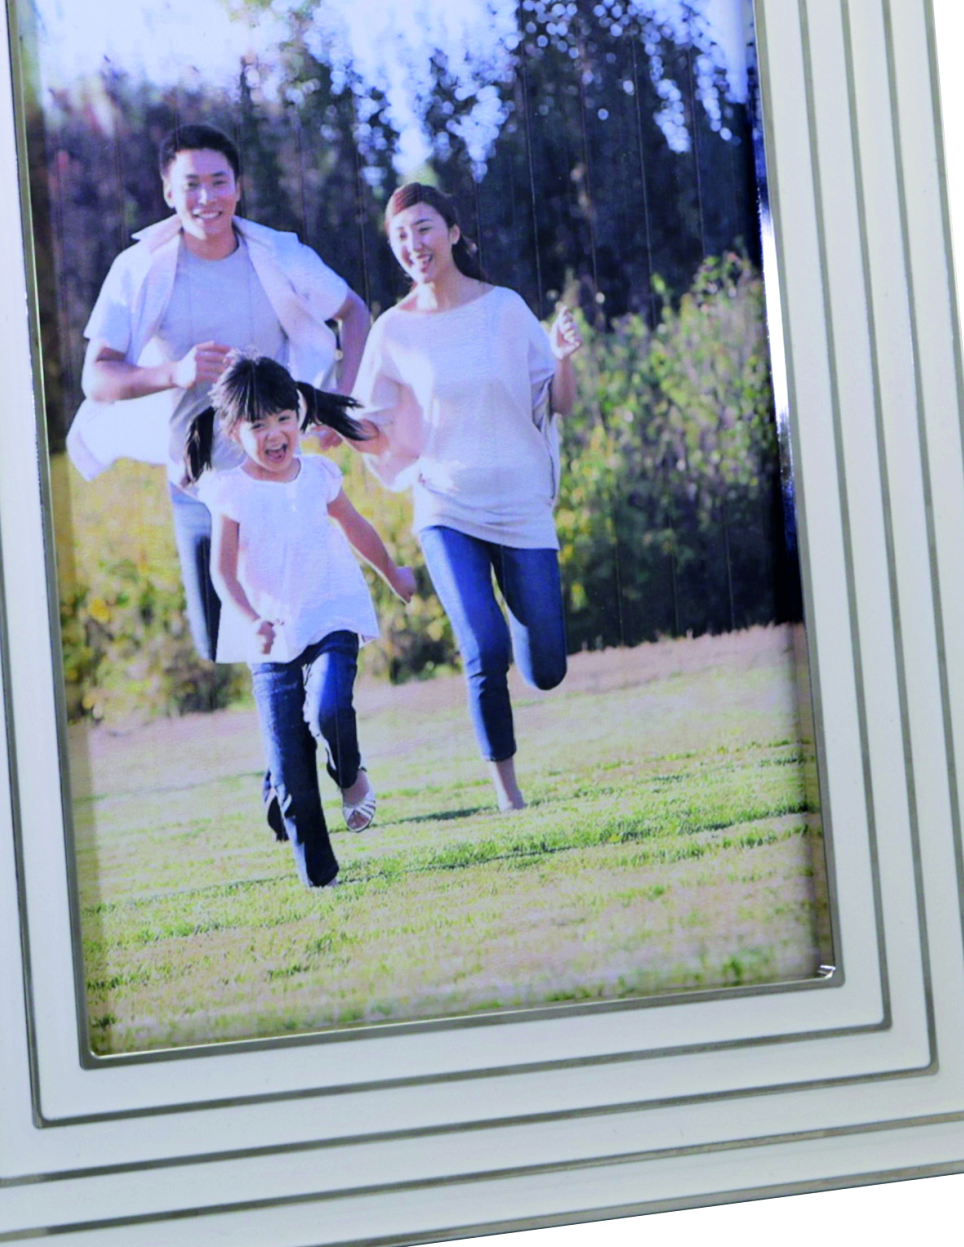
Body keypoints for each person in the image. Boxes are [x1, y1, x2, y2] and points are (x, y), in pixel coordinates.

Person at [67, 124, 375, 662]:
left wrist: (337, 403)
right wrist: (175, 373)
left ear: (238, 187)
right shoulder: (139, 268)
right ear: (169, 193)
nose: (206, 198)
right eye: (191, 185)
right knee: (217, 642)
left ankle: (312, 708)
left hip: (275, 476)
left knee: (290, 629)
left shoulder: (279, 254)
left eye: (218, 182)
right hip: (195, 481)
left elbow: (354, 312)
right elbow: (97, 378)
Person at [354, 181, 582, 811]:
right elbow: (375, 430)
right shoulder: (393, 331)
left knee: (546, 669)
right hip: (446, 505)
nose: (413, 244)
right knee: (484, 647)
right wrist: (334, 425)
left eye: (424, 228)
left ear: (453, 232)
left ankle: (533, 654)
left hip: (521, 502)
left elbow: (559, 403)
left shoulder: (504, 309)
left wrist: (564, 358)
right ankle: (509, 797)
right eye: (401, 236)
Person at [185, 356, 418, 891]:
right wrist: (251, 619)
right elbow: (222, 572)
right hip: (270, 640)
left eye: (283, 419)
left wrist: (392, 574)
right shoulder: (231, 491)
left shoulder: (317, 474)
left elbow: (355, 526)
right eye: (258, 425)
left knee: (328, 709)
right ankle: (322, 881)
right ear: (233, 431)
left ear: (300, 416)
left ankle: (350, 774)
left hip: (330, 612)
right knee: (290, 777)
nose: (275, 434)